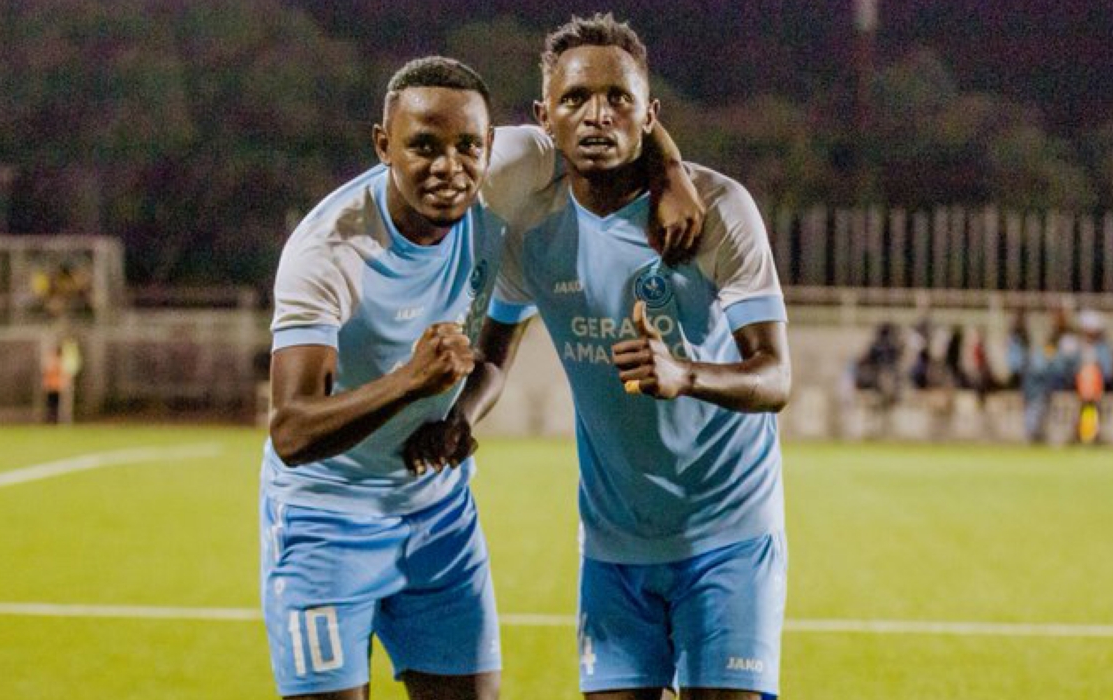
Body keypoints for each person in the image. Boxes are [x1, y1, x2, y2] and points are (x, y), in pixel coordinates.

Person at [260, 56, 700, 700]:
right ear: (383, 145)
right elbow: (291, 432)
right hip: (327, 520)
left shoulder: (509, 171)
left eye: (468, 145)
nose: (449, 166)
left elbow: (615, 117)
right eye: (422, 147)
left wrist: (673, 173)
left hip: (437, 515)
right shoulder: (329, 252)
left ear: (492, 144)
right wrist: (410, 382)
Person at [409, 15, 791, 699]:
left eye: (618, 98)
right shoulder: (534, 229)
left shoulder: (720, 210)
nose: (597, 115)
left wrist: (685, 374)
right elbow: (496, 355)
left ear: (651, 114)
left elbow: (775, 375)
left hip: (728, 535)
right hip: (613, 550)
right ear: (543, 118)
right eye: (576, 99)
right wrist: (462, 415)